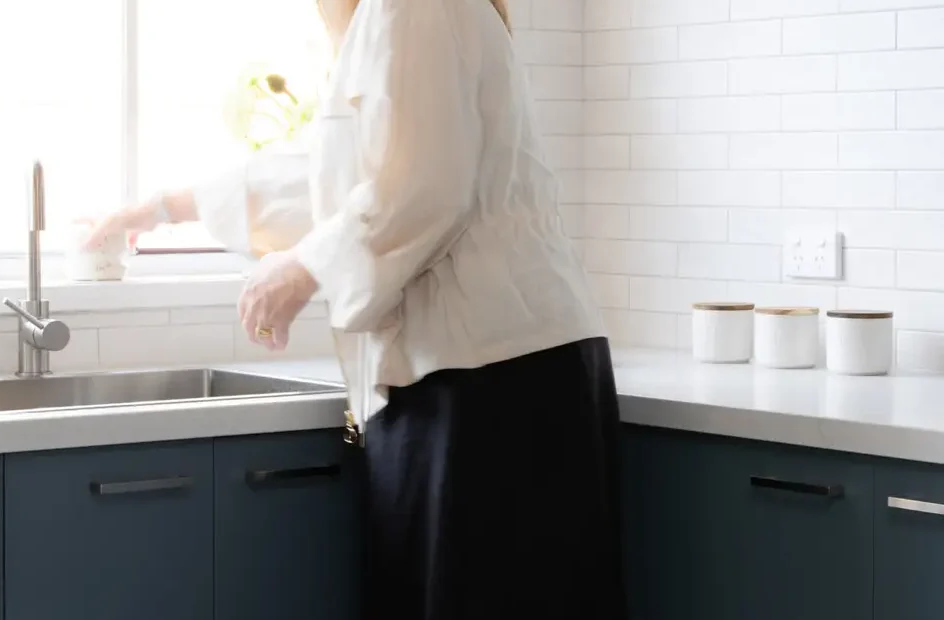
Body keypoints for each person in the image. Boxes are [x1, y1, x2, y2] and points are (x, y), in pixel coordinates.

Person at [85, 1, 623, 618]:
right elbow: (338, 178)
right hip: (494, 371)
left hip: (490, 381)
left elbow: (423, 188)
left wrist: (300, 269)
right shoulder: (391, 16)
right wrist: (159, 209)